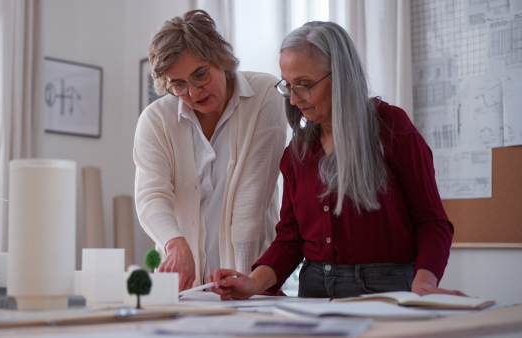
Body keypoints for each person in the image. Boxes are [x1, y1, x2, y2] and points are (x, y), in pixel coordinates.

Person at [210, 21, 466, 299]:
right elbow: (290, 239)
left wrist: (426, 280)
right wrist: (252, 283)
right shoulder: (298, 151)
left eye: (305, 86)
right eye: (289, 86)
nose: (294, 100)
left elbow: (432, 223)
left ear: (341, 77)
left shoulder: (392, 128)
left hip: (386, 289)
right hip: (315, 289)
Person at [134, 10, 286, 291]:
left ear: (220, 59)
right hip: (182, 286)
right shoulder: (156, 120)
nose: (193, 93)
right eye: (178, 84)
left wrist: (245, 282)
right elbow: (150, 196)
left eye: (200, 75)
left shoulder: (264, 95)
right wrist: (174, 243)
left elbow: (251, 201)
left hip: (250, 279)